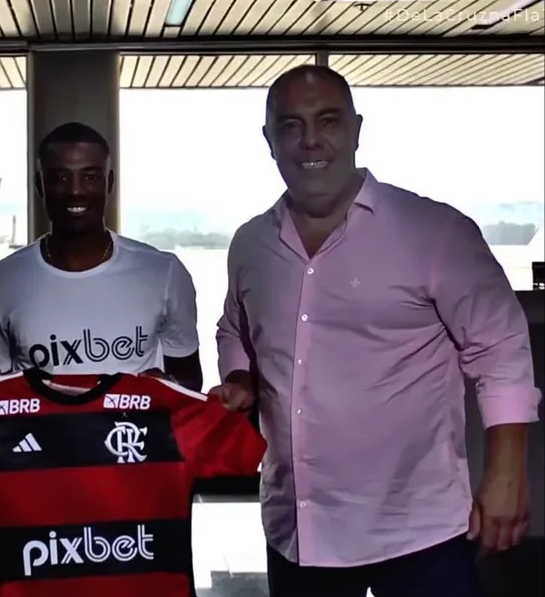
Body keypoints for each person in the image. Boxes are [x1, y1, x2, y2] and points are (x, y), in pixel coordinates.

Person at [213, 64, 540, 597]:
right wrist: (240, 378)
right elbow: (235, 328)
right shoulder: (251, 245)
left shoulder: (435, 232)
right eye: (291, 125)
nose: (311, 140)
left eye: (328, 121)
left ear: (357, 130)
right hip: (299, 531)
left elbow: (501, 351)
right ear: (269, 140)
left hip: (419, 533)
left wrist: (507, 473)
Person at [0, 121, 203, 390]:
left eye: (91, 177)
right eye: (60, 178)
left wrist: (165, 386)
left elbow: (190, 382)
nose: (75, 191)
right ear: (39, 184)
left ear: (109, 183)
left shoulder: (164, 273)